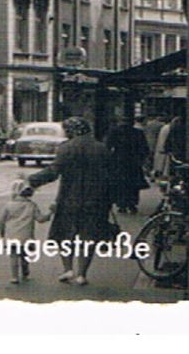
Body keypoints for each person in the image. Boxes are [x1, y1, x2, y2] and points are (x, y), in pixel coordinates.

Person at [25, 116, 116, 286]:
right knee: (88, 237)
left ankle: (68, 270)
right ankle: (82, 274)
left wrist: (32, 180)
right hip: (96, 199)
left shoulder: (66, 148)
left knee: (65, 235)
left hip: (69, 198)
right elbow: (110, 176)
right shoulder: (101, 149)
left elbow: (54, 171)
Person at [0, 180, 52, 284]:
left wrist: (1, 231)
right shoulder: (32, 205)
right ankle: (25, 272)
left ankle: (14, 276)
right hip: (26, 236)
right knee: (24, 255)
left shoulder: (9, 205)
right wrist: (50, 213)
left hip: (12, 236)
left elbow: (1, 221)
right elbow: (40, 219)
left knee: (13, 256)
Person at [105, 113, 150, 214]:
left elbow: (108, 146)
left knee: (120, 184)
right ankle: (132, 203)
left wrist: (109, 160)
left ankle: (122, 204)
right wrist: (141, 159)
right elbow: (144, 148)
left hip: (118, 161)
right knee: (132, 184)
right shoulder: (138, 133)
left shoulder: (114, 132)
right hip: (133, 162)